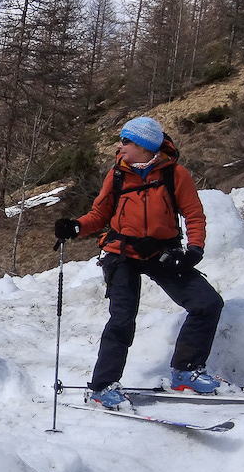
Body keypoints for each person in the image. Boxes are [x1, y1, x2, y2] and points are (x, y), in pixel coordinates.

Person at [54, 116, 224, 410]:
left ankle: (186, 371)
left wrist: (195, 249)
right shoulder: (117, 175)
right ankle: (103, 386)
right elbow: (100, 214)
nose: (119, 146)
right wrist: (77, 227)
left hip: (162, 253)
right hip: (122, 253)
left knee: (207, 303)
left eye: (126, 141)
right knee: (122, 319)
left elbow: (194, 214)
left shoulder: (175, 174)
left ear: (145, 146)